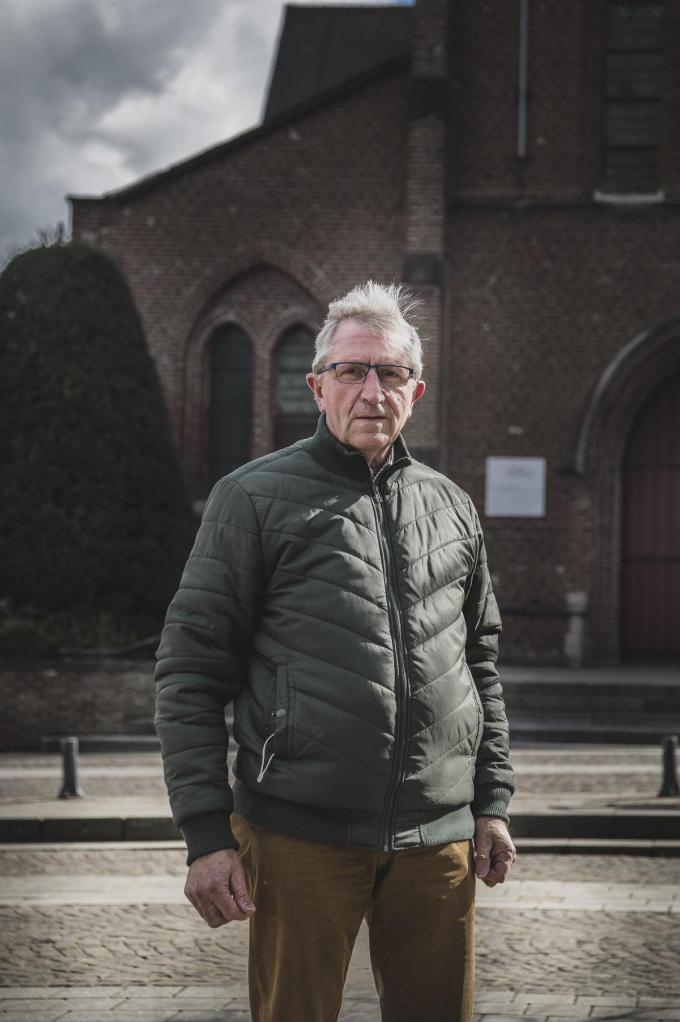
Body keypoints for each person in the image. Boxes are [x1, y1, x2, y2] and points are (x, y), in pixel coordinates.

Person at [155, 281, 515, 1022]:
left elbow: (481, 661)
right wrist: (204, 834)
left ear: (416, 390)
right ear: (317, 386)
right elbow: (190, 671)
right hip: (298, 835)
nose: (370, 390)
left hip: (437, 840)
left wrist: (493, 803)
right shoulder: (251, 498)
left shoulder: (451, 506)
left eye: (388, 373)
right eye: (351, 371)